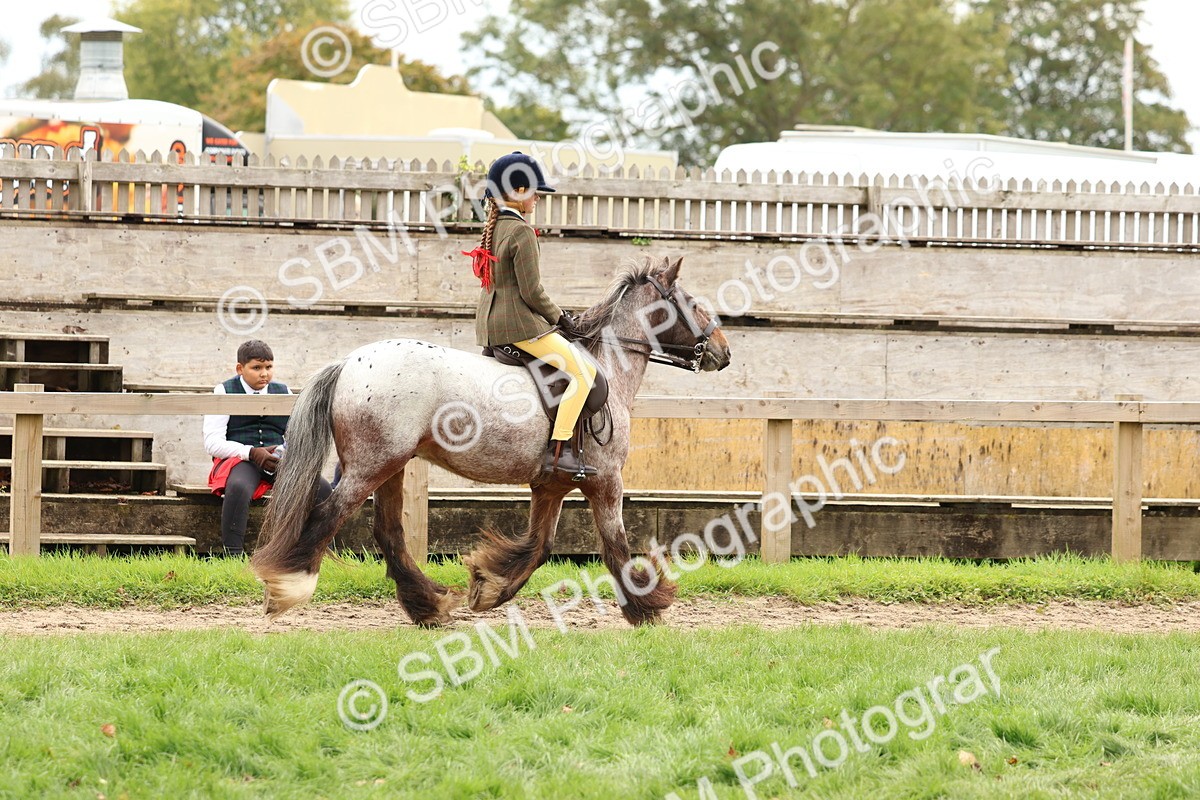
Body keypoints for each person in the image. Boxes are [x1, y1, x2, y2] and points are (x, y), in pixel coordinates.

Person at [465, 151, 598, 477]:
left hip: (489, 327)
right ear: (519, 192)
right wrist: (560, 318)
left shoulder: (494, 227)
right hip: (518, 328)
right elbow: (531, 292)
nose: (538, 197)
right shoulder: (521, 231)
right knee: (585, 375)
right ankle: (562, 451)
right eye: (535, 191)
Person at [201, 340, 332, 556]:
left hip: (278, 458)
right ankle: (232, 555)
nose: (264, 374)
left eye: (269, 367)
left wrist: (285, 452)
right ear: (240, 369)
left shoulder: (284, 391)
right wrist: (250, 452)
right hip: (243, 460)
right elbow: (213, 443)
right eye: (257, 368)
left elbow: (295, 434)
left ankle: (319, 551)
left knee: (322, 489)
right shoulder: (224, 390)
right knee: (239, 487)